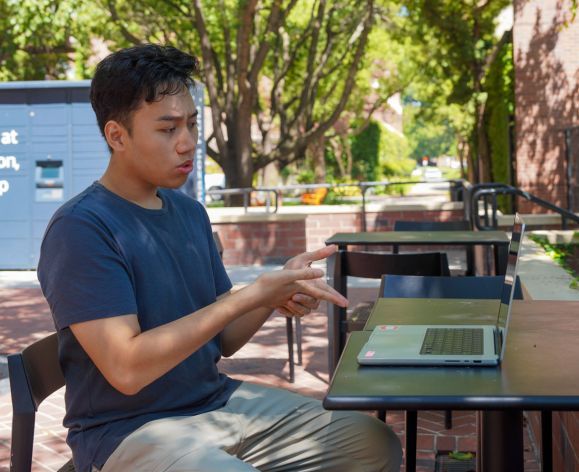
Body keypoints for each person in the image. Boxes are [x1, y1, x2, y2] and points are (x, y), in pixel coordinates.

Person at [37, 44, 402, 472]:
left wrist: (274, 293)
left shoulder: (189, 213)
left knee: (372, 443)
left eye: (192, 124)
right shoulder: (81, 228)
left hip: (216, 402)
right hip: (129, 431)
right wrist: (249, 296)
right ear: (117, 135)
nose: (188, 143)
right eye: (168, 129)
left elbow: (224, 338)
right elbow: (127, 369)